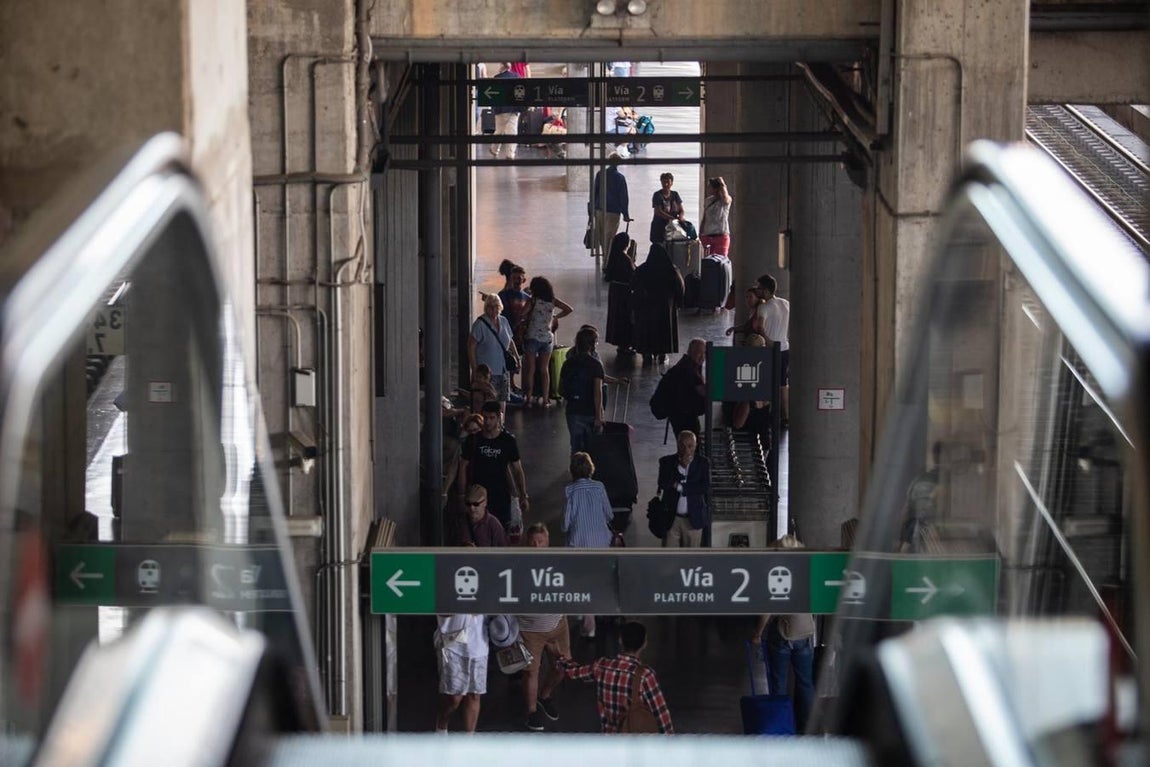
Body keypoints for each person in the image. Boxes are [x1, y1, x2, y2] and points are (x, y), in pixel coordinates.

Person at [555, 620, 674, 734]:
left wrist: (558, 657)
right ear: (644, 644)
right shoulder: (645, 675)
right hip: (636, 741)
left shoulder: (602, 666)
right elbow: (661, 714)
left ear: (620, 640)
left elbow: (574, 672)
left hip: (610, 739)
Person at [750, 534, 815, 732]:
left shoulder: (777, 571)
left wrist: (757, 634)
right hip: (805, 633)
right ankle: (806, 727)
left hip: (783, 634)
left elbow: (767, 610)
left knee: (779, 683)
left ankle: (781, 725)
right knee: (805, 682)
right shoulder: (807, 570)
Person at [518, 523, 571, 731]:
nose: (537, 546)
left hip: (557, 625)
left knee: (563, 666)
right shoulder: (519, 565)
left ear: (548, 542)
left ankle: (545, 695)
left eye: (541, 542)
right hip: (531, 630)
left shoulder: (558, 562)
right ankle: (531, 712)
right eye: (533, 543)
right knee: (531, 672)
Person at [457, 401, 529, 530]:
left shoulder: (507, 441)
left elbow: (517, 469)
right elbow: (462, 467)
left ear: (498, 417)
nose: (488, 422)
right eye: (485, 418)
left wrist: (523, 495)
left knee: (500, 531)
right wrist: (462, 494)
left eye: (492, 418)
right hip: (477, 496)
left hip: (501, 496)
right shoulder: (473, 440)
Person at [520, 275, 572, 408]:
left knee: (531, 369)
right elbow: (569, 309)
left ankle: (528, 398)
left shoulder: (533, 301)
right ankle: (545, 399)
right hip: (547, 339)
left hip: (532, 337)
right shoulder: (553, 301)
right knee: (544, 370)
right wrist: (555, 316)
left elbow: (522, 313)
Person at [434, 611, 489, 733]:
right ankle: (441, 725)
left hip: (479, 645)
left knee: (474, 695)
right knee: (454, 697)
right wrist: (466, 606)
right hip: (452, 643)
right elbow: (441, 611)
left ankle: (469, 741)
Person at [630, 243, 684, 364]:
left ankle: (647, 352)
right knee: (663, 330)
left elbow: (633, 284)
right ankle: (662, 353)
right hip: (666, 307)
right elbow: (680, 288)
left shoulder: (643, 269)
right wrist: (678, 303)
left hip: (646, 306)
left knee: (647, 329)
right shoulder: (672, 270)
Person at [656, 430, 710, 548]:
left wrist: (680, 487)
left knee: (691, 559)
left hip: (693, 520)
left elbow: (704, 487)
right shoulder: (666, 462)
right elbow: (663, 483)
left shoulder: (702, 463)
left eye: (690, 446)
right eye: (683, 446)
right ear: (677, 444)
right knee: (669, 558)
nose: (686, 450)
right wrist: (680, 467)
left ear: (695, 446)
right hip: (672, 519)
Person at [468, 293, 519, 414]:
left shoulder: (504, 321)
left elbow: (510, 341)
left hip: (502, 369)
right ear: (486, 307)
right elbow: (470, 347)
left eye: (496, 306)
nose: (494, 309)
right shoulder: (480, 324)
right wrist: (475, 369)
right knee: (486, 402)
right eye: (491, 306)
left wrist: (517, 357)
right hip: (487, 372)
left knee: (502, 399)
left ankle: (500, 425)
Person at [559, 326, 606, 454]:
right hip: (590, 411)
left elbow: (561, 389)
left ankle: (577, 470)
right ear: (592, 345)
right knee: (593, 448)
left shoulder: (568, 363)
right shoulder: (596, 365)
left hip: (573, 411)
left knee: (575, 447)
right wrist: (598, 416)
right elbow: (598, 393)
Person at [754, 273, 791, 426]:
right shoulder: (785, 303)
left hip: (770, 350)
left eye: (759, 288)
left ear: (766, 290)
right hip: (785, 348)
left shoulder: (763, 307)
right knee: (783, 383)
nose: (757, 290)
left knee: (765, 382)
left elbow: (759, 326)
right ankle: (785, 415)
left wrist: (767, 341)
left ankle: (766, 414)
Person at [656, 338, 707, 437]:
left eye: (704, 353)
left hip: (679, 411)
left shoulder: (689, 365)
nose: (702, 357)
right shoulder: (688, 369)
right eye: (698, 353)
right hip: (681, 413)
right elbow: (702, 391)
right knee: (689, 440)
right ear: (689, 352)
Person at [563, 451, 614, 548]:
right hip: (602, 542)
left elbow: (565, 525)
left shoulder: (570, 490)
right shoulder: (599, 487)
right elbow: (609, 515)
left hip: (578, 544)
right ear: (591, 468)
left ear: (572, 470)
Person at [591, 152, 630, 259]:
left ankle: (605, 256)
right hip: (613, 212)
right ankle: (607, 261)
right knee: (609, 237)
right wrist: (625, 214)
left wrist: (593, 208)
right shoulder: (620, 178)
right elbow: (623, 197)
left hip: (599, 209)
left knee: (602, 236)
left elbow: (595, 192)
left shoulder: (600, 174)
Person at [603, 231, 636, 353]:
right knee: (625, 318)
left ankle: (620, 343)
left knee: (616, 317)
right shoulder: (625, 259)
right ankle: (626, 343)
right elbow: (633, 276)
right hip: (624, 292)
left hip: (615, 291)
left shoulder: (613, 256)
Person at [491, 63, 522, 159]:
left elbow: (494, 95)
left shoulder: (496, 78)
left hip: (500, 110)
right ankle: (510, 154)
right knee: (512, 132)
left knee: (499, 130)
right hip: (513, 109)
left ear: (501, 66)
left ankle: (494, 149)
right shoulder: (516, 77)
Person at [699, 176, 733, 257]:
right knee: (708, 261)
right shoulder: (708, 200)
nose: (708, 188)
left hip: (721, 236)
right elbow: (705, 217)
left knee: (720, 260)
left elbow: (725, 197)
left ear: (715, 188)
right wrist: (701, 232)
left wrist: (722, 184)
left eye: (709, 186)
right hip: (708, 235)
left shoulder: (725, 201)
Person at [649, 172, 684, 244]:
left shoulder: (675, 194)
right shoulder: (657, 195)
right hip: (659, 227)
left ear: (672, 183)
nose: (665, 184)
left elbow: (681, 210)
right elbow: (658, 211)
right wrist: (672, 218)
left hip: (672, 227)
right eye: (663, 182)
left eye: (668, 182)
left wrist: (680, 217)